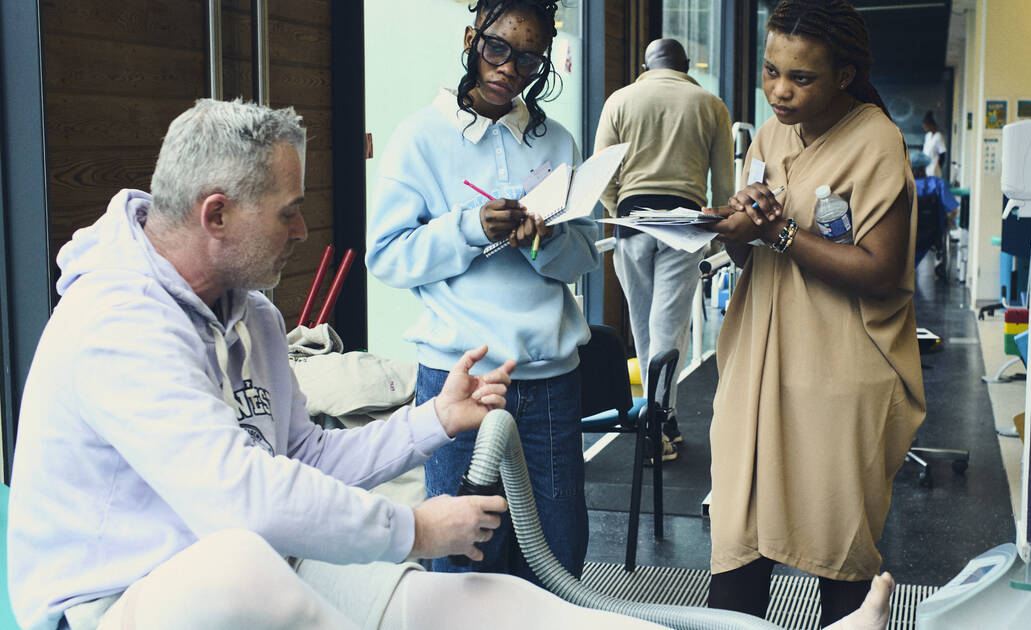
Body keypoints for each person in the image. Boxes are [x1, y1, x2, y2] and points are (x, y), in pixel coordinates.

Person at [8, 97, 667, 630]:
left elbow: (304, 459)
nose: (301, 232)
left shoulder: (255, 317)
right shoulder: (115, 322)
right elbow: (242, 501)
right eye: (288, 213)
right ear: (217, 214)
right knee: (239, 563)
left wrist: (434, 419)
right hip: (115, 604)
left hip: (267, 574)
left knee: (478, 605)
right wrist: (411, 529)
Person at [700, 1, 924, 627]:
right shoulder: (770, 135)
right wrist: (735, 223)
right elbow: (746, 253)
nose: (780, 90)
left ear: (844, 76)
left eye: (801, 78)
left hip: (836, 370)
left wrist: (783, 235)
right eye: (771, 71)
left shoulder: (877, 140)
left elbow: (880, 271)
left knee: (837, 552)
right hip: (757, 364)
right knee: (736, 540)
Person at [365, 0, 599, 583]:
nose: (509, 70)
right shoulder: (419, 137)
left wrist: (540, 242)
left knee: (557, 561)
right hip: (457, 377)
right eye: (498, 49)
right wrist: (469, 227)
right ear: (472, 39)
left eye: (529, 60)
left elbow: (584, 257)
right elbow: (387, 256)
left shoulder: (558, 143)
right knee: (459, 560)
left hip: (548, 380)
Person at [594, 38, 735, 460]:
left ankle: (658, 419)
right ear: (687, 65)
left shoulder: (620, 100)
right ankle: (660, 419)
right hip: (685, 223)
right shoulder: (710, 104)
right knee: (669, 326)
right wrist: (719, 233)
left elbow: (601, 173)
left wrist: (620, 205)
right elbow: (725, 185)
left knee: (644, 326)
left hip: (633, 221)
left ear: (644, 65)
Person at [911, 151, 959, 270]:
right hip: (933, 235)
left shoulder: (903, 185)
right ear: (925, 166)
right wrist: (948, 220)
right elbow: (953, 210)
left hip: (907, 235)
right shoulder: (937, 184)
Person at [921, 111, 947, 178]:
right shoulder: (927, 136)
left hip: (934, 168)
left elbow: (942, 154)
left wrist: (938, 167)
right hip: (925, 168)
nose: (924, 128)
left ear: (931, 125)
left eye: (926, 126)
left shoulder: (938, 136)